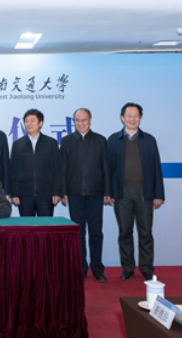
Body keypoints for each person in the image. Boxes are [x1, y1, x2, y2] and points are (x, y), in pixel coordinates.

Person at [108, 102, 164, 282]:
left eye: (136, 116)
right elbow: (108, 169)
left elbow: (156, 168)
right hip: (122, 193)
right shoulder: (113, 140)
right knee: (125, 232)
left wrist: (158, 195)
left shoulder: (149, 140)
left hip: (144, 194)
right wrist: (108, 192)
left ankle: (146, 268)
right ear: (122, 118)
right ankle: (128, 269)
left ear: (140, 118)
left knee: (145, 233)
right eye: (129, 115)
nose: (132, 119)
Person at [60, 108, 111, 283]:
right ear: (74, 121)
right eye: (77, 120)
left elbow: (106, 168)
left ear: (90, 120)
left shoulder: (100, 140)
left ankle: (97, 269)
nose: (80, 123)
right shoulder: (67, 141)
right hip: (74, 194)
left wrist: (107, 191)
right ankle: (80, 268)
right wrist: (63, 192)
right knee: (78, 233)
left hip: (96, 194)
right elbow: (63, 168)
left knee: (96, 232)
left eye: (84, 120)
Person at [10, 109, 62, 217]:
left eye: (32, 120)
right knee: (27, 226)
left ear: (40, 123)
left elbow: (57, 169)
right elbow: (13, 170)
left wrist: (57, 192)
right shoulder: (17, 145)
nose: (29, 123)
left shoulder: (51, 143)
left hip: (46, 194)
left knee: (45, 225)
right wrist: (14, 193)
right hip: (24, 194)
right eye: (26, 121)